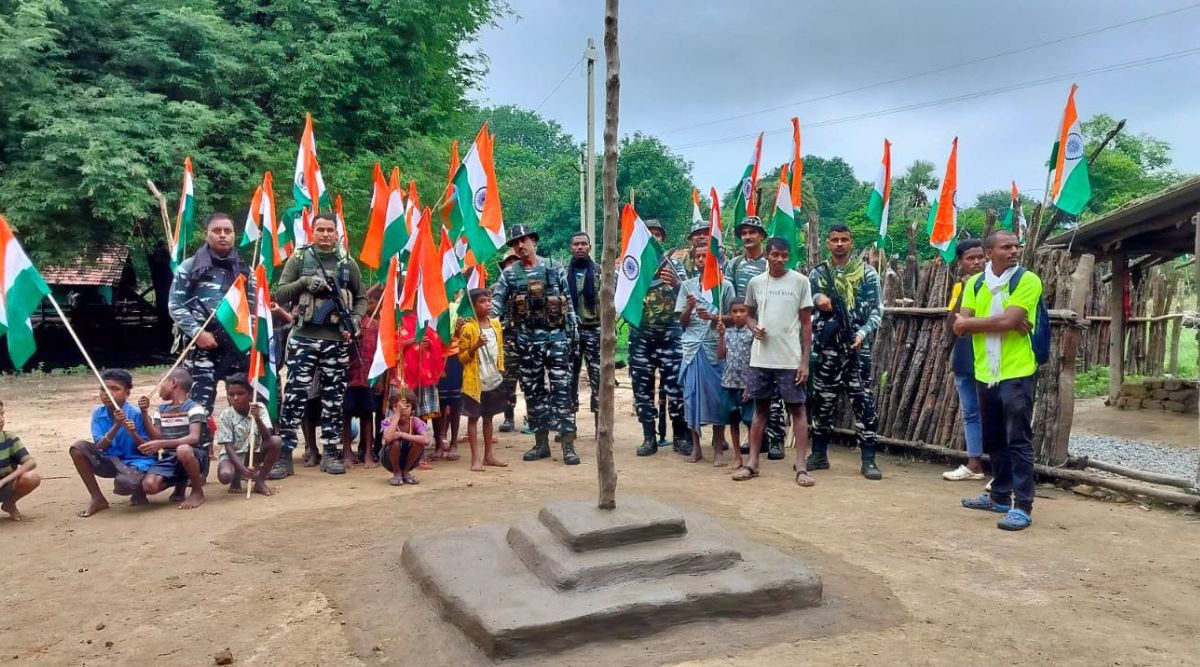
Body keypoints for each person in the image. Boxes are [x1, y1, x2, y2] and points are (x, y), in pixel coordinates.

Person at [954, 230, 1043, 531]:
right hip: (985, 371)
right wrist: (1000, 322)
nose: (1014, 251)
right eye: (1006, 247)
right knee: (993, 437)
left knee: (1018, 439)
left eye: (1016, 246)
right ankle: (1000, 496)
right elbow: (958, 325)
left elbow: (1006, 320)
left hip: (1017, 370)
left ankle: (1023, 505)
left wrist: (974, 323)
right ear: (989, 253)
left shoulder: (1028, 280)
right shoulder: (975, 284)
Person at [272, 213, 368, 476]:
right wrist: (304, 283)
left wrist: (356, 319)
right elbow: (280, 293)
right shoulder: (300, 258)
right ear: (312, 232)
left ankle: (331, 454)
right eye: (320, 229)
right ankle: (284, 456)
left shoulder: (347, 263)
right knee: (295, 396)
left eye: (330, 230)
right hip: (304, 338)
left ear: (336, 233)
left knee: (334, 399)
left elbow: (361, 298)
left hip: (336, 340)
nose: (325, 234)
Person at [491, 224, 580, 465]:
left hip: (557, 341)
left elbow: (568, 302)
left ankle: (568, 446)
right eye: (515, 243)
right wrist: (480, 321)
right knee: (533, 393)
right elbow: (496, 306)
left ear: (533, 241)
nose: (520, 246)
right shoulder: (509, 274)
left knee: (562, 392)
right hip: (527, 344)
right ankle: (541, 444)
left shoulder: (554, 267)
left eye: (524, 240)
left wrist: (573, 336)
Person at [806, 224, 884, 481]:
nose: (839, 244)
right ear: (827, 243)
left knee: (863, 402)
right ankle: (819, 455)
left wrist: (861, 334)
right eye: (835, 240)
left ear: (851, 242)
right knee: (822, 402)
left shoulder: (867, 273)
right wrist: (817, 299)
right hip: (826, 349)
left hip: (855, 349)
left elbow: (877, 311)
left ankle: (868, 459)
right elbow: (805, 308)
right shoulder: (818, 274)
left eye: (844, 239)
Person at [733, 237, 814, 484]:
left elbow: (807, 323)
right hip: (761, 359)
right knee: (759, 410)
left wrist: (804, 362)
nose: (779, 259)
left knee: (797, 410)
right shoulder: (756, 282)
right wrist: (753, 326)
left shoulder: (800, 281)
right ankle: (752, 463)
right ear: (767, 255)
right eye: (775, 254)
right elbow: (748, 314)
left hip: (790, 359)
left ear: (789, 257)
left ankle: (801, 466)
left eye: (784, 255)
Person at [168, 212, 253, 414]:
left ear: (234, 235)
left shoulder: (245, 269)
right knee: (199, 409)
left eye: (228, 231)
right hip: (202, 347)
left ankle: (238, 437)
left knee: (242, 406)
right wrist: (198, 333)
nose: (223, 235)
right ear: (206, 234)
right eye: (217, 231)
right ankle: (201, 437)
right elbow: (175, 305)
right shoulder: (190, 267)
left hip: (237, 346)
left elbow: (254, 309)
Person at [723, 215, 787, 460]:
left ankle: (776, 439)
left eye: (752, 232)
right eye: (744, 233)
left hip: (770, 332)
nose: (748, 236)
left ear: (762, 236)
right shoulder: (734, 264)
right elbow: (731, 299)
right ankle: (755, 438)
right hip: (743, 332)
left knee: (775, 384)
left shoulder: (770, 263)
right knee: (750, 386)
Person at [629, 218, 688, 456]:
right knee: (642, 389)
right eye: (649, 234)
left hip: (670, 335)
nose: (653, 238)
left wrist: (677, 284)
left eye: (657, 234)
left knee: (676, 388)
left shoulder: (674, 265)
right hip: (641, 337)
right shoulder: (632, 266)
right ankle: (648, 438)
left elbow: (689, 295)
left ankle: (680, 436)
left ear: (662, 239)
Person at [69, 368, 157, 517]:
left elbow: (150, 450)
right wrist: (116, 425)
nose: (107, 394)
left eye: (115, 389)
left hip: (137, 461)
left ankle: (139, 489)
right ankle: (97, 498)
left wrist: (133, 432)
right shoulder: (98, 413)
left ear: (127, 393)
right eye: (104, 389)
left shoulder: (137, 413)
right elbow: (99, 446)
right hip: (111, 460)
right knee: (78, 448)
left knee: (125, 484)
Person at [675, 245, 733, 463]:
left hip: (715, 348)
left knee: (718, 399)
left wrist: (713, 317)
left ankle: (718, 449)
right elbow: (682, 322)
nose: (701, 260)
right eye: (697, 256)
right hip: (692, 350)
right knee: (691, 399)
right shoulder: (687, 287)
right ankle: (696, 448)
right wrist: (689, 308)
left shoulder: (724, 286)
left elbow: (734, 317)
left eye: (705, 256)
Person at [943, 239, 988, 482]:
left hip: (990, 356)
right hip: (964, 354)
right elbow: (953, 323)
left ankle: (1001, 468)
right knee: (970, 411)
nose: (977, 262)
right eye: (970, 258)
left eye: (980, 257)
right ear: (960, 263)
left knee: (997, 411)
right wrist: (965, 290)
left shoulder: (995, 285)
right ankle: (974, 464)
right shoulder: (960, 288)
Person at [137, 368, 209, 510]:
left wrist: (162, 443)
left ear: (174, 383)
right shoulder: (161, 409)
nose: (159, 389)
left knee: (183, 450)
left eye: (161, 383)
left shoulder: (194, 408)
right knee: (149, 486)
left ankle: (197, 492)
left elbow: (194, 438)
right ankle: (180, 483)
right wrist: (144, 413)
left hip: (193, 455)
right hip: (169, 457)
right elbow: (156, 436)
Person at [458, 288, 508, 472]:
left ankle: (489, 456)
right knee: (473, 419)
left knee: (488, 418)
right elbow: (462, 357)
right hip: (475, 382)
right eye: (482, 302)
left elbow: (499, 350)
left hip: (492, 379)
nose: (487, 304)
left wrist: (500, 369)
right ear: (473, 306)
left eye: (489, 301)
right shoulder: (468, 328)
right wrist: (475, 346)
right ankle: (475, 458)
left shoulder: (495, 325)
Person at [215, 374, 282, 496]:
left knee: (276, 441)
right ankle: (236, 476)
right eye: (231, 394)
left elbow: (267, 437)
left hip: (254, 452)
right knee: (225, 476)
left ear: (250, 395)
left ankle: (260, 482)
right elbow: (228, 447)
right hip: (233, 456)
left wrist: (257, 419)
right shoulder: (226, 415)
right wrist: (242, 468)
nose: (235, 398)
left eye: (240, 394)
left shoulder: (260, 408)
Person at [566, 232, 601, 430]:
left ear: (589, 247)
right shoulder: (563, 274)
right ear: (571, 248)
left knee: (598, 380)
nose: (580, 247)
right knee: (569, 379)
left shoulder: (600, 272)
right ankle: (569, 428)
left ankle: (600, 428)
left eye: (583, 244)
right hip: (570, 332)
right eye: (576, 244)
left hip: (594, 331)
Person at [716, 298, 754, 470]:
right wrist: (721, 336)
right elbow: (720, 355)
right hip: (729, 383)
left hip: (747, 385)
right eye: (734, 311)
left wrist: (751, 385)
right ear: (730, 314)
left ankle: (752, 458)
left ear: (748, 313)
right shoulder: (727, 332)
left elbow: (755, 361)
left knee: (750, 421)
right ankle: (738, 457)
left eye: (742, 311)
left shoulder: (752, 334)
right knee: (733, 421)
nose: (738, 314)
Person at [381, 390, 434, 486]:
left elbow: (426, 440)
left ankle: (406, 471)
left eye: (407, 406)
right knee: (395, 442)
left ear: (412, 409)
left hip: (409, 460)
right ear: (392, 409)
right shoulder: (388, 421)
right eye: (397, 407)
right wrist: (397, 415)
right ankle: (397, 471)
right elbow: (388, 438)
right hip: (389, 460)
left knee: (418, 442)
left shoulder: (415, 421)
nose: (402, 410)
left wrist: (401, 434)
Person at [0, 399, 41, 521]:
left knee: (32, 477)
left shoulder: (9, 438)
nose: (1, 419)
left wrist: (4, 481)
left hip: (6, 485)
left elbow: (30, 462)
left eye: (2, 414)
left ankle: (9, 504)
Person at [496, 248, 522, 433]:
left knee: (533, 380)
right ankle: (509, 417)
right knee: (508, 381)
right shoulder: (496, 289)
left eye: (515, 261)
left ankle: (533, 419)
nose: (511, 265)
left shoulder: (530, 284)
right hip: (507, 340)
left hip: (529, 338)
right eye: (508, 262)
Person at [435, 324, 465, 462]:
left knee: (455, 403)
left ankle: (454, 443)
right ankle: (438, 443)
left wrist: (459, 329)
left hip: (455, 356)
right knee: (438, 404)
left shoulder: (459, 312)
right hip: (435, 355)